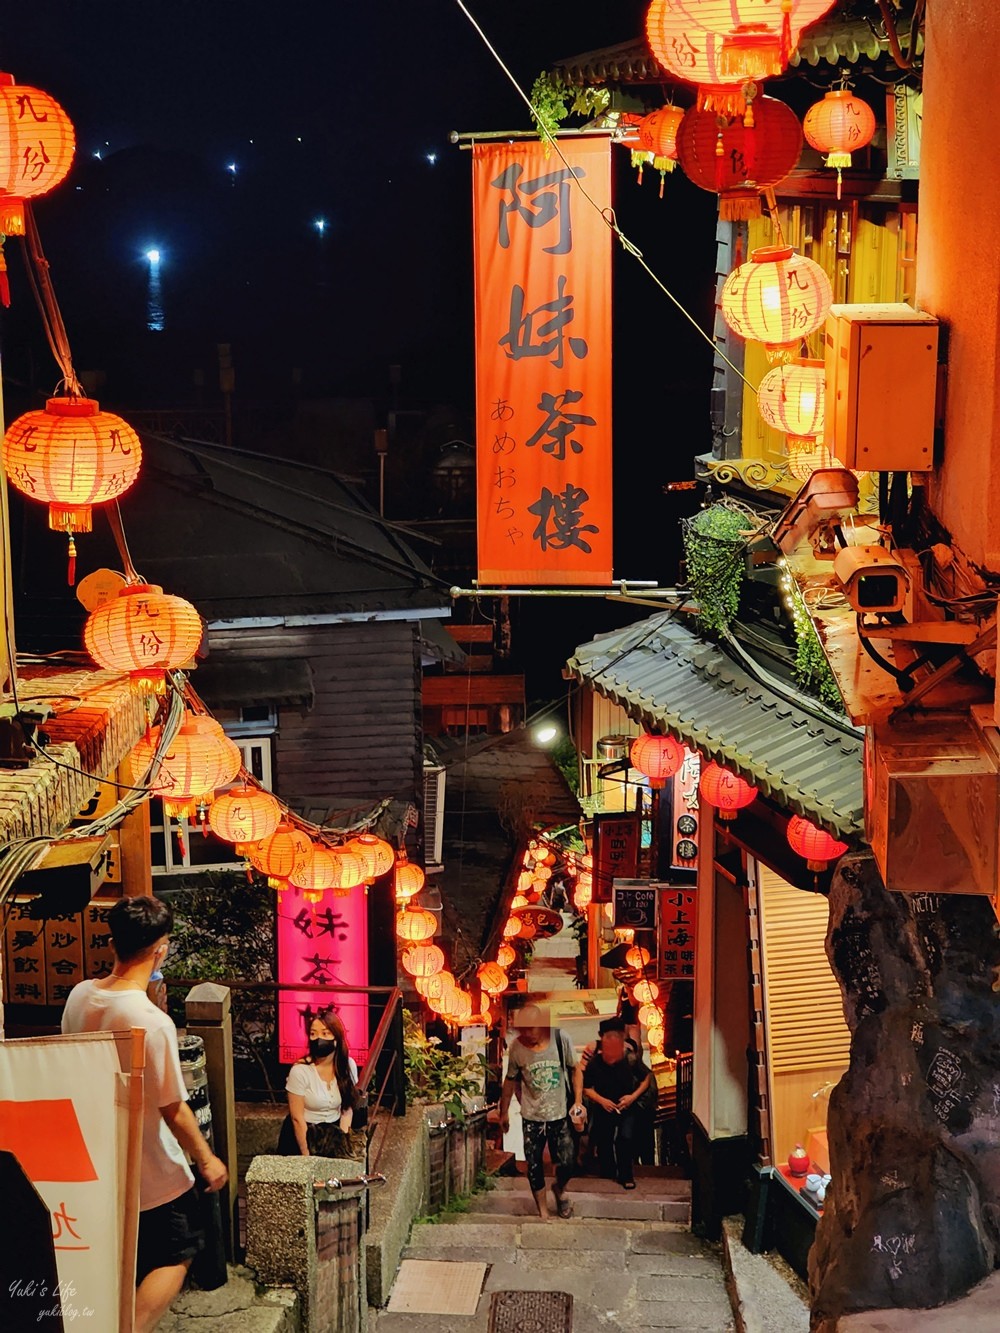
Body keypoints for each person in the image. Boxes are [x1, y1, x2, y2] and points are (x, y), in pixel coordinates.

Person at [62, 895, 228, 1333]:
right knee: (180, 1249)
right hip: (149, 1168)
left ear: (113, 942)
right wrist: (206, 1159)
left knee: (120, 1257)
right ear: (161, 948)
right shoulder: (151, 1022)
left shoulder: (80, 997)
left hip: (91, 1156)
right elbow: (173, 1106)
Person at [498, 1004, 581, 1219]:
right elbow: (510, 1081)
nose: (527, 1034)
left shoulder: (560, 1039)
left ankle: (560, 1190)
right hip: (532, 1117)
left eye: (531, 1029)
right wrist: (504, 1111)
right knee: (533, 1166)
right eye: (523, 1030)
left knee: (567, 1163)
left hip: (560, 1114)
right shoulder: (517, 1048)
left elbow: (576, 1069)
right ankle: (543, 1213)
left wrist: (578, 1102)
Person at [277, 1006, 365, 1159]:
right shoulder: (300, 1071)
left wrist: (342, 1145)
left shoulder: (348, 1065)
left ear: (337, 1039)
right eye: (313, 1034)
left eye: (325, 1033)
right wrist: (307, 1156)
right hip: (303, 1135)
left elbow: (347, 1109)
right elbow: (297, 1118)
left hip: (332, 1133)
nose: (319, 1038)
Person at [579, 1025, 652, 1189]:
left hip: (626, 1105)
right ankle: (608, 1172)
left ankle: (626, 1176)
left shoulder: (629, 1057)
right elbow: (586, 1087)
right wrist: (601, 1100)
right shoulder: (595, 1063)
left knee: (625, 1138)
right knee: (604, 1139)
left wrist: (632, 1097)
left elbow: (646, 1078)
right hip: (603, 1106)